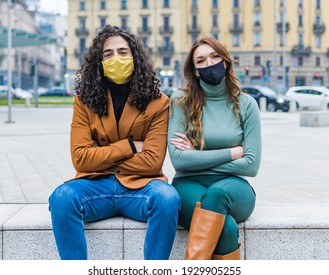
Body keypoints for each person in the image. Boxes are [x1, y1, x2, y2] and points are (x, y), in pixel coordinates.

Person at [48, 25, 181, 260]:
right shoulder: (84, 100)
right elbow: (80, 158)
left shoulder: (158, 102)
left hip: (141, 187)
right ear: (98, 62)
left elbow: (152, 162)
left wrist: (99, 157)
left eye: (122, 52)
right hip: (95, 187)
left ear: (135, 57)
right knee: (61, 197)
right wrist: (129, 147)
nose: (116, 59)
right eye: (108, 54)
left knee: (168, 198)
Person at [168, 36, 261, 260]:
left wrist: (197, 156)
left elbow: (251, 165)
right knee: (227, 229)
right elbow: (179, 160)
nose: (209, 64)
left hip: (234, 188)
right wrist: (232, 152)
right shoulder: (181, 100)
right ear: (195, 70)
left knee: (219, 193)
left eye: (215, 56)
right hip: (187, 184)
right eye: (201, 61)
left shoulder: (246, 104)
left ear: (226, 61)